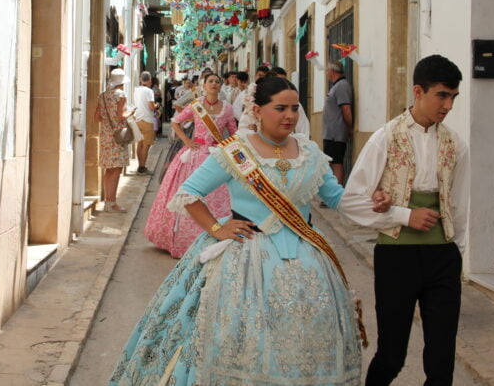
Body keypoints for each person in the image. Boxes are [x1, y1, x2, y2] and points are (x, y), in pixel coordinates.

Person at [110, 76, 391, 385]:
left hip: (308, 257)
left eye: (295, 109)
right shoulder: (236, 152)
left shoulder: (309, 153)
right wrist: (217, 227)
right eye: (280, 108)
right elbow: (188, 193)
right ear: (257, 111)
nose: (290, 116)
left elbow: (336, 198)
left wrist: (378, 205)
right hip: (246, 257)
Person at [338, 54, 470, 386]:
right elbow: (351, 201)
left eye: (453, 97)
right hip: (397, 256)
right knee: (392, 355)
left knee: (442, 361)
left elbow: (459, 203)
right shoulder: (386, 137)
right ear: (418, 91)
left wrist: (457, 253)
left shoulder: (456, 144)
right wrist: (405, 214)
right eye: (442, 95)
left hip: (443, 257)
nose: (448, 105)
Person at [143, 73, 237, 258]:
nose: (214, 84)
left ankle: (217, 235)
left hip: (217, 156)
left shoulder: (227, 108)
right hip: (196, 154)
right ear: (203, 85)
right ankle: (185, 241)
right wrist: (186, 140)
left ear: (220, 86)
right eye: (210, 81)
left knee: (218, 197)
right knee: (191, 196)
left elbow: (233, 131)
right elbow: (176, 121)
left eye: (217, 82)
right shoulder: (196, 105)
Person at [95, 68, 133, 213]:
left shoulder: (103, 96)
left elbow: (96, 117)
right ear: (122, 83)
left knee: (108, 169)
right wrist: (131, 111)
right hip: (118, 136)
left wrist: (107, 122)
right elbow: (121, 116)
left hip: (106, 136)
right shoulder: (121, 95)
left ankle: (107, 202)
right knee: (117, 170)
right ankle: (112, 202)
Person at [323, 62, 354, 185]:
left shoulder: (342, 86)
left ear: (332, 71)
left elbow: (346, 108)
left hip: (336, 133)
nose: (326, 74)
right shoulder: (337, 86)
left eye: (327, 70)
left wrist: (349, 126)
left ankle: (337, 193)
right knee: (332, 162)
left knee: (336, 162)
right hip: (331, 132)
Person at [133, 71, 159, 175]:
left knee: (140, 143)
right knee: (146, 145)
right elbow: (151, 106)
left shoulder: (136, 90)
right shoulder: (149, 91)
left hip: (138, 119)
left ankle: (140, 166)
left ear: (140, 79)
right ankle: (142, 167)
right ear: (150, 80)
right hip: (147, 119)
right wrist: (157, 106)